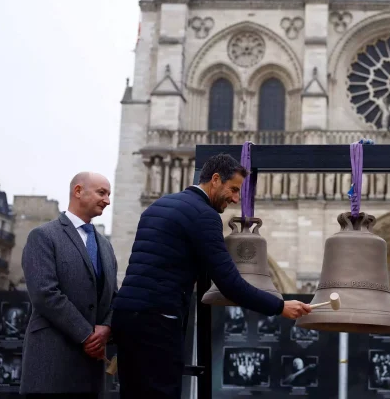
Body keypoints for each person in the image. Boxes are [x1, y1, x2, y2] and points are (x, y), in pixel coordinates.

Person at [111, 153, 312, 398]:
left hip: (125, 318)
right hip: (158, 322)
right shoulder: (204, 216)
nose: (237, 199)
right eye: (234, 189)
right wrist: (279, 306)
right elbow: (230, 283)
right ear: (215, 180)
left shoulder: (158, 206)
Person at [20, 172, 118, 398]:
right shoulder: (43, 236)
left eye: (109, 194)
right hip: (52, 367)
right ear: (78, 191)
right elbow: (45, 294)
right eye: (101, 193)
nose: (107, 200)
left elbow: (114, 296)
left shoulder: (105, 245)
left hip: (90, 372)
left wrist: (107, 328)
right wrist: (87, 335)